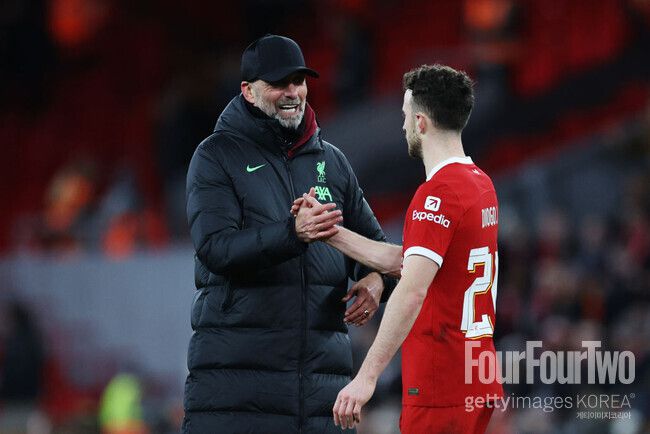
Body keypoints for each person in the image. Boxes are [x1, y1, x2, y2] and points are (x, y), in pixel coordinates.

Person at [183, 34, 396, 433]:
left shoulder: (332, 162)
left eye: (299, 81)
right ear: (248, 91)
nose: (293, 92)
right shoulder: (216, 155)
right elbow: (215, 248)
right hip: (238, 392)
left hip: (321, 395)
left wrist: (376, 281)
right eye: (279, 83)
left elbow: (379, 249)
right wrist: (291, 233)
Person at [295, 64, 504, 433]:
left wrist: (366, 377)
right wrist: (329, 232)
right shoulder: (480, 183)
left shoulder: (438, 194)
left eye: (406, 115)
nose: (403, 125)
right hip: (474, 377)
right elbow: (408, 262)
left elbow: (411, 290)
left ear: (421, 122)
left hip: (440, 385)